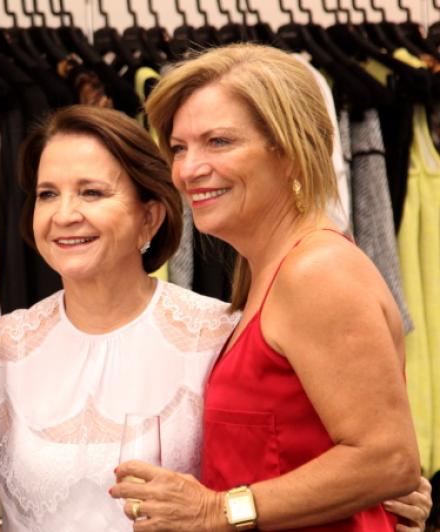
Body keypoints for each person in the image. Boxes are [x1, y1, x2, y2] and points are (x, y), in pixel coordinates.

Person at [110, 43, 428, 531]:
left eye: (219, 142)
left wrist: (218, 510)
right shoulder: (270, 268)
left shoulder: (317, 272)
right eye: (179, 147)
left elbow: (388, 459)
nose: (189, 169)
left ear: (290, 151)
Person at [0, 104, 238, 532]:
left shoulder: (216, 336)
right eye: (47, 194)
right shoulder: (1, 346)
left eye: (91, 192)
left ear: (149, 217)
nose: (64, 215)